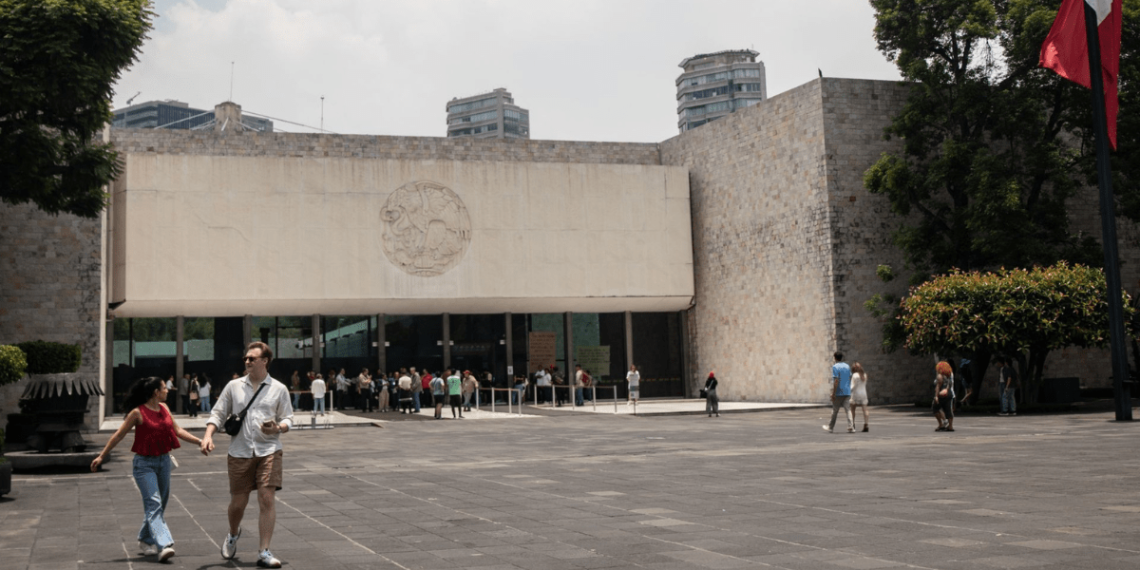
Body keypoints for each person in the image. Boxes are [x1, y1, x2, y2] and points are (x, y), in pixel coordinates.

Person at [200, 341, 293, 568]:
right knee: (238, 504)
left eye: (252, 358)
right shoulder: (234, 386)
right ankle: (233, 533)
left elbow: (288, 418)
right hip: (240, 452)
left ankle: (264, 551)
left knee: (266, 498)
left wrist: (278, 428)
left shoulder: (279, 388)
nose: (247, 361)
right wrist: (208, 435)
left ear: (265, 361)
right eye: (246, 358)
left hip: (269, 450)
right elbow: (218, 413)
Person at [91, 376, 202, 563]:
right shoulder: (137, 413)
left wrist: (200, 441)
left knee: (160, 503)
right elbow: (118, 435)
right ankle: (164, 544)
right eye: (164, 388)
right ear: (155, 392)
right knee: (154, 503)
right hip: (144, 465)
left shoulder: (165, 408)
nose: (167, 390)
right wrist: (102, 456)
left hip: (164, 461)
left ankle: (145, 538)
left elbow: (178, 431)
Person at [824, 352, 854, 433]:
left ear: (835, 358)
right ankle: (851, 426)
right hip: (847, 391)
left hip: (839, 392)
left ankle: (830, 427)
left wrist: (833, 393)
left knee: (835, 410)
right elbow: (850, 377)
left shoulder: (835, 367)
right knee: (848, 410)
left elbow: (836, 381)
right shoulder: (847, 366)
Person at [933, 361, 955, 432]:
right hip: (949, 393)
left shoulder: (940, 376)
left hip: (941, 394)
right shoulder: (950, 375)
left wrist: (936, 396)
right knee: (949, 410)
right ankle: (950, 426)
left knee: (935, 408)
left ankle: (941, 424)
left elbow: (938, 387)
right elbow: (950, 385)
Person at [849, 362, 870, 432]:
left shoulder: (854, 375)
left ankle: (852, 424)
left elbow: (852, 386)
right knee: (865, 409)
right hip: (863, 393)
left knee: (852, 409)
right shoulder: (865, 375)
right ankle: (866, 424)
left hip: (856, 393)